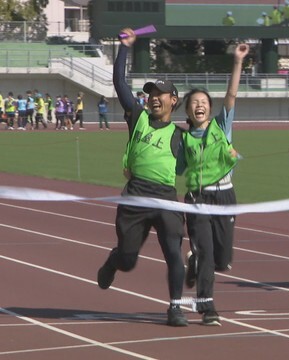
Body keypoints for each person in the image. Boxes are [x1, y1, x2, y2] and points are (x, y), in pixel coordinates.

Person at [96, 27, 188, 327]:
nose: (153, 98)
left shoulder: (180, 135)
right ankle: (115, 259)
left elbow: (192, 166)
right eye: (151, 94)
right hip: (135, 195)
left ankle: (175, 307)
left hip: (165, 198)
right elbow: (119, 82)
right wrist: (125, 46)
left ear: (174, 100)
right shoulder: (138, 117)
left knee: (174, 251)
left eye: (160, 94)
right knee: (128, 261)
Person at [181, 43, 249, 326]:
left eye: (203, 102)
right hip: (198, 200)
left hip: (225, 197)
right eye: (194, 102)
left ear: (209, 108)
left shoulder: (221, 126)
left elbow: (231, 96)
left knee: (222, 260)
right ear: (187, 109)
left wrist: (237, 61)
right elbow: (169, 167)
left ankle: (195, 262)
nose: (199, 105)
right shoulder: (181, 138)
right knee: (208, 253)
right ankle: (207, 307)